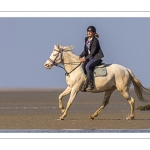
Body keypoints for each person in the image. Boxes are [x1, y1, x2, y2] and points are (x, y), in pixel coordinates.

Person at [79, 26, 104, 90]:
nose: (89, 33)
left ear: (93, 33)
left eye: (90, 32)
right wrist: (80, 56)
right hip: (90, 58)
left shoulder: (95, 40)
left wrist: (85, 58)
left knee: (87, 66)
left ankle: (91, 84)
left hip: (96, 58)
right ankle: (85, 83)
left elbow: (92, 52)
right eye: (88, 32)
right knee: (83, 66)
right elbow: (85, 51)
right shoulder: (86, 39)